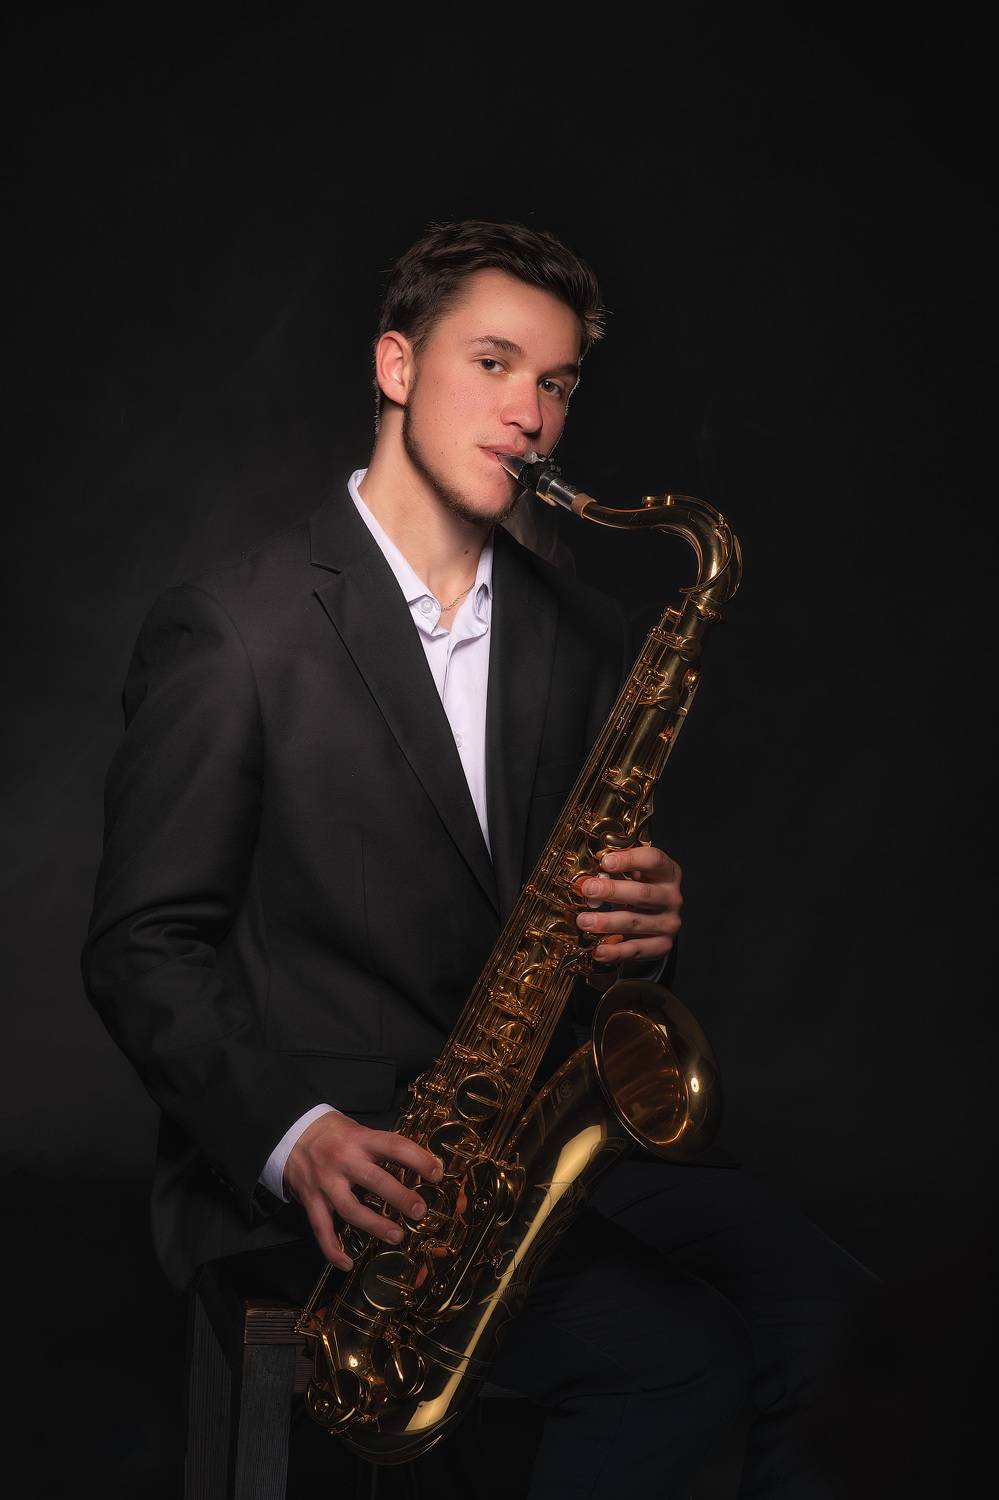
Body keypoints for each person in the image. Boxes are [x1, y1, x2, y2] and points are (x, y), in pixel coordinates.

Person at [83, 220, 876, 1498]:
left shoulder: (586, 631)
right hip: (340, 1171)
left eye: (557, 383)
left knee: (823, 1302)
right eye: (494, 363)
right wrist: (293, 1133)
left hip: (515, 1139)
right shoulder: (234, 629)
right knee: (673, 1362)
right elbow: (143, 948)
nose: (531, 415)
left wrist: (638, 935)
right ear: (396, 366)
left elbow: (562, 939)